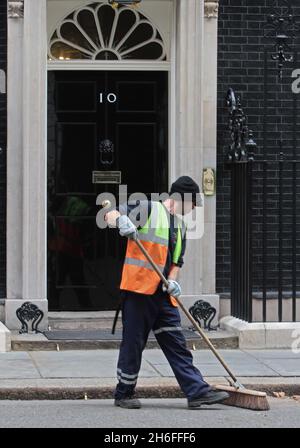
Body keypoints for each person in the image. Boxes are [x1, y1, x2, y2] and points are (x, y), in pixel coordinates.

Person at [105, 176, 229, 409]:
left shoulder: (180, 226)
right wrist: (121, 221)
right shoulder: (147, 208)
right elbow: (109, 214)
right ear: (180, 198)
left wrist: (173, 282)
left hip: (163, 296)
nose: (194, 209)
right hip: (138, 291)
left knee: (176, 343)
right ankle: (124, 393)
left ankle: (196, 391)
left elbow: (176, 262)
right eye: (193, 203)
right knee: (133, 343)